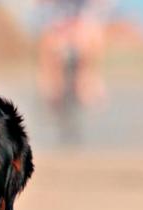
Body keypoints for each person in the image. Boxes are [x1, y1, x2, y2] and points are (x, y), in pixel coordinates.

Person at [37, 0, 107, 141]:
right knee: (50, 44)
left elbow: (98, 8)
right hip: (58, 22)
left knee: (90, 39)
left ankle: (87, 79)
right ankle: (51, 86)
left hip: (82, 22)